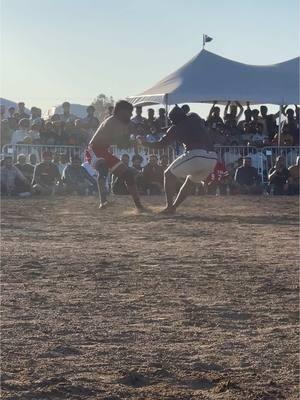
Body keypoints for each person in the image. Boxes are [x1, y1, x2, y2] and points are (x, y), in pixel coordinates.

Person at [142, 105, 217, 214]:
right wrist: (164, 129)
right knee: (190, 182)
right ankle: (173, 207)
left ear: (174, 120)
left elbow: (161, 145)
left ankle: (169, 206)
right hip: (212, 159)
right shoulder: (194, 117)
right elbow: (187, 125)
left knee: (168, 174)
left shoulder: (175, 128)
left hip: (196, 155)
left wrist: (145, 143)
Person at [88, 100, 145, 210]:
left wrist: (138, 136)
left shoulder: (123, 121)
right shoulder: (112, 122)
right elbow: (122, 144)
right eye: (129, 112)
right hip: (94, 150)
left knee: (128, 175)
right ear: (121, 112)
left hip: (105, 151)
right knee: (103, 168)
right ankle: (103, 201)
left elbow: (133, 130)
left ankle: (139, 206)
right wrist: (135, 141)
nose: (131, 115)